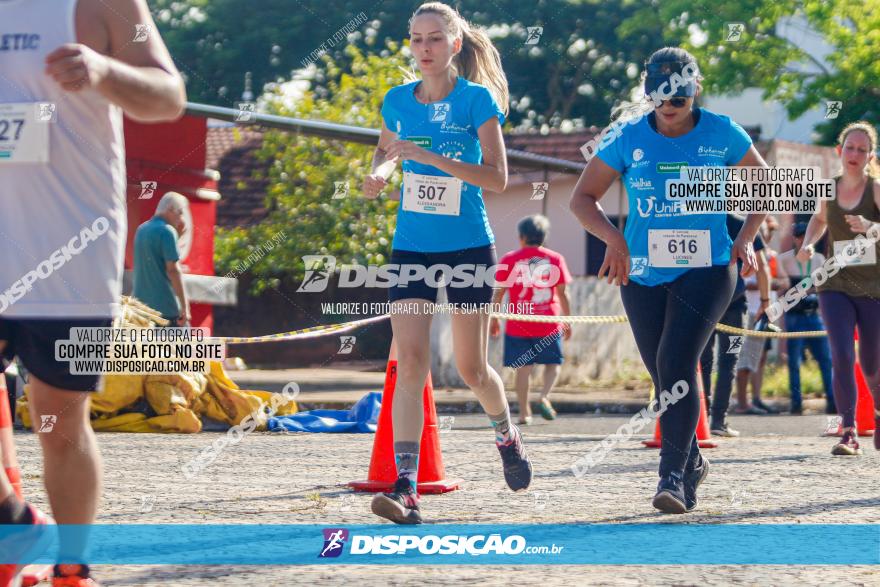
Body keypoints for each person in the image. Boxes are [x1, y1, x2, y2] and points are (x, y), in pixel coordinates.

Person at [0, 0, 186, 584]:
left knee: (59, 418)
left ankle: (72, 565)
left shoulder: (101, 4)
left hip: (70, 252)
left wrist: (104, 72)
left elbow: (169, 94)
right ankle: (12, 518)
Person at [570, 47, 768, 514]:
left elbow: (766, 185)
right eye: (661, 96)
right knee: (663, 374)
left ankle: (672, 476)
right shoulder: (626, 136)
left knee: (677, 361)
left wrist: (746, 238)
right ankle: (691, 461)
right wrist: (613, 240)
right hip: (640, 271)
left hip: (708, 267)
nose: (671, 105)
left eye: (679, 94)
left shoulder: (723, 132)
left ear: (694, 88)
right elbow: (582, 199)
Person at [361, 2, 530, 525]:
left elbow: (498, 178)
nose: (424, 49)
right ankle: (406, 486)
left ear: (455, 45)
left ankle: (506, 435)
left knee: (471, 369)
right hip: (412, 245)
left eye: (435, 39)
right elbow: (387, 153)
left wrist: (432, 158)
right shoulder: (396, 100)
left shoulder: (476, 101)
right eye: (416, 39)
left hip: (467, 248)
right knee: (410, 364)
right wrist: (381, 176)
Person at [797, 121, 880, 455]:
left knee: (872, 365)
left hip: (872, 287)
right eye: (850, 148)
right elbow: (819, 220)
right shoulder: (828, 189)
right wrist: (808, 244)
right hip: (834, 284)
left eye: (862, 149)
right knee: (842, 355)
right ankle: (848, 432)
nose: (855, 154)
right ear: (839, 151)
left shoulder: (874, 189)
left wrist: (871, 225)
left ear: (870, 155)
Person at [490, 215, 573, 424]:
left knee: (523, 369)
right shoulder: (555, 259)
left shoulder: (509, 259)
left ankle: (524, 413)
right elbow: (563, 293)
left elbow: (498, 293)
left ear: (522, 237)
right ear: (543, 237)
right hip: (549, 323)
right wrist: (568, 320)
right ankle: (544, 395)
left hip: (518, 324)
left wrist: (494, 319)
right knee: (553, 364)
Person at [699, 215, 766, 437]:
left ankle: (703, 419)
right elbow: (762, 265)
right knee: (729, 361)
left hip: (703, 304)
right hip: (735, 306)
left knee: (703, 361)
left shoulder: (698, 221)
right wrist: (765, 302)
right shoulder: (744, 224)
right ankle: (719, 421)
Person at [776, 222, 835, 414]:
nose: (802, 240)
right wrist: (802, 289)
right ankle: (796, 403)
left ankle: (833, 401)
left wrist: (799, 289)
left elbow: (823, 286)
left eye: (805, 236)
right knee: (793, 361)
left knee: (826, 359)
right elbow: (782, 288)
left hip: (815, 315)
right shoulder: (784, 259)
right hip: (794, 316)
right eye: (799, 236)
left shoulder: (818, 258)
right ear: (794, 238)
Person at [734, 220, 782, 415]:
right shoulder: (746, 247)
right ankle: (742, 402)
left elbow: (779, 278)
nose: (767, 235)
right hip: (750, 309)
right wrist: (765, 294)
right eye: (764, 230)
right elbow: (743, 280)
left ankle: (755, 398)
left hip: (762, 311)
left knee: (757, 358)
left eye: (769, 231)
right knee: (743, 360)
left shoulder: (768, 253)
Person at [133, 192, 191, 326]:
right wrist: (185, 307)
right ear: (170, 209)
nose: (181, 218)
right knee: (183, 343)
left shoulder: (142, 229)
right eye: (180, 212)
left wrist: (177, 236)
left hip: (140, 308)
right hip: (165, 309)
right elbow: (173, 270)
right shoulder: (167, 231)